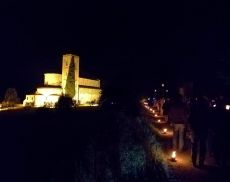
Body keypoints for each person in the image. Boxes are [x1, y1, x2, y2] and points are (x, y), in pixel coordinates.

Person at [188, 95, 210, 168]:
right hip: (203, 130)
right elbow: (210, 121)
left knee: (195, 145)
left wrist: (191, 128)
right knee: (202, 146)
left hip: (196, 129)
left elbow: (190, 119)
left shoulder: (194, 109)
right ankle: (201, 162)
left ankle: (194, 161)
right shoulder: (207, 111)